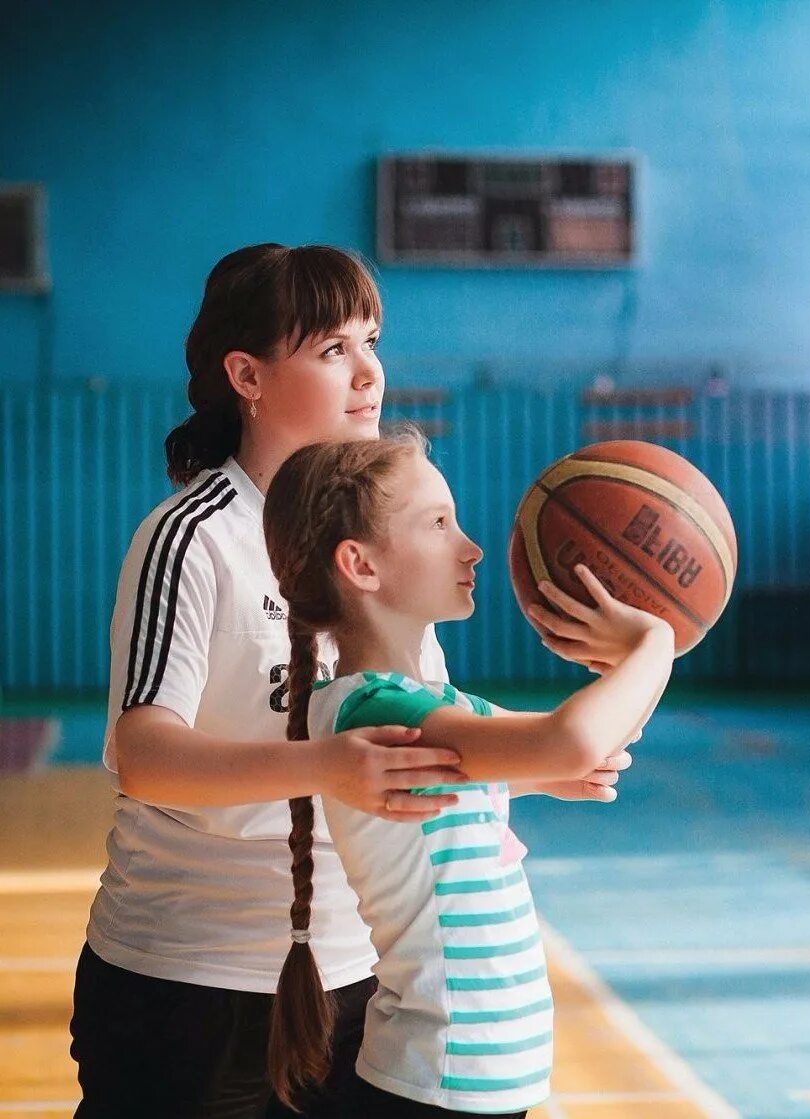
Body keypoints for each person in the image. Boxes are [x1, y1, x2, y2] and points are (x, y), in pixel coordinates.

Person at [69, 243, 629, 1118]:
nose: (368, 372)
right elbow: (144, 754)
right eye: (333, 349)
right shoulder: (192, 535)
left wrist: (527, 763)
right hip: (191, 983)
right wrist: (325, 765)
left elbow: (406, 734)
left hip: (361, 973)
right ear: (246, 375)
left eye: (372, 341)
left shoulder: (383, 545)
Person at [260, 431, 673, 1117]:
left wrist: (613, 674)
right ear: (360, 564)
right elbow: (571, 740)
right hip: (437, 1080)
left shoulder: (440, 702)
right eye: (438, 522)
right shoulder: (373, 704)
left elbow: (593, 743)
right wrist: (655, 639)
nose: (472, 546)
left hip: (466, 1078)